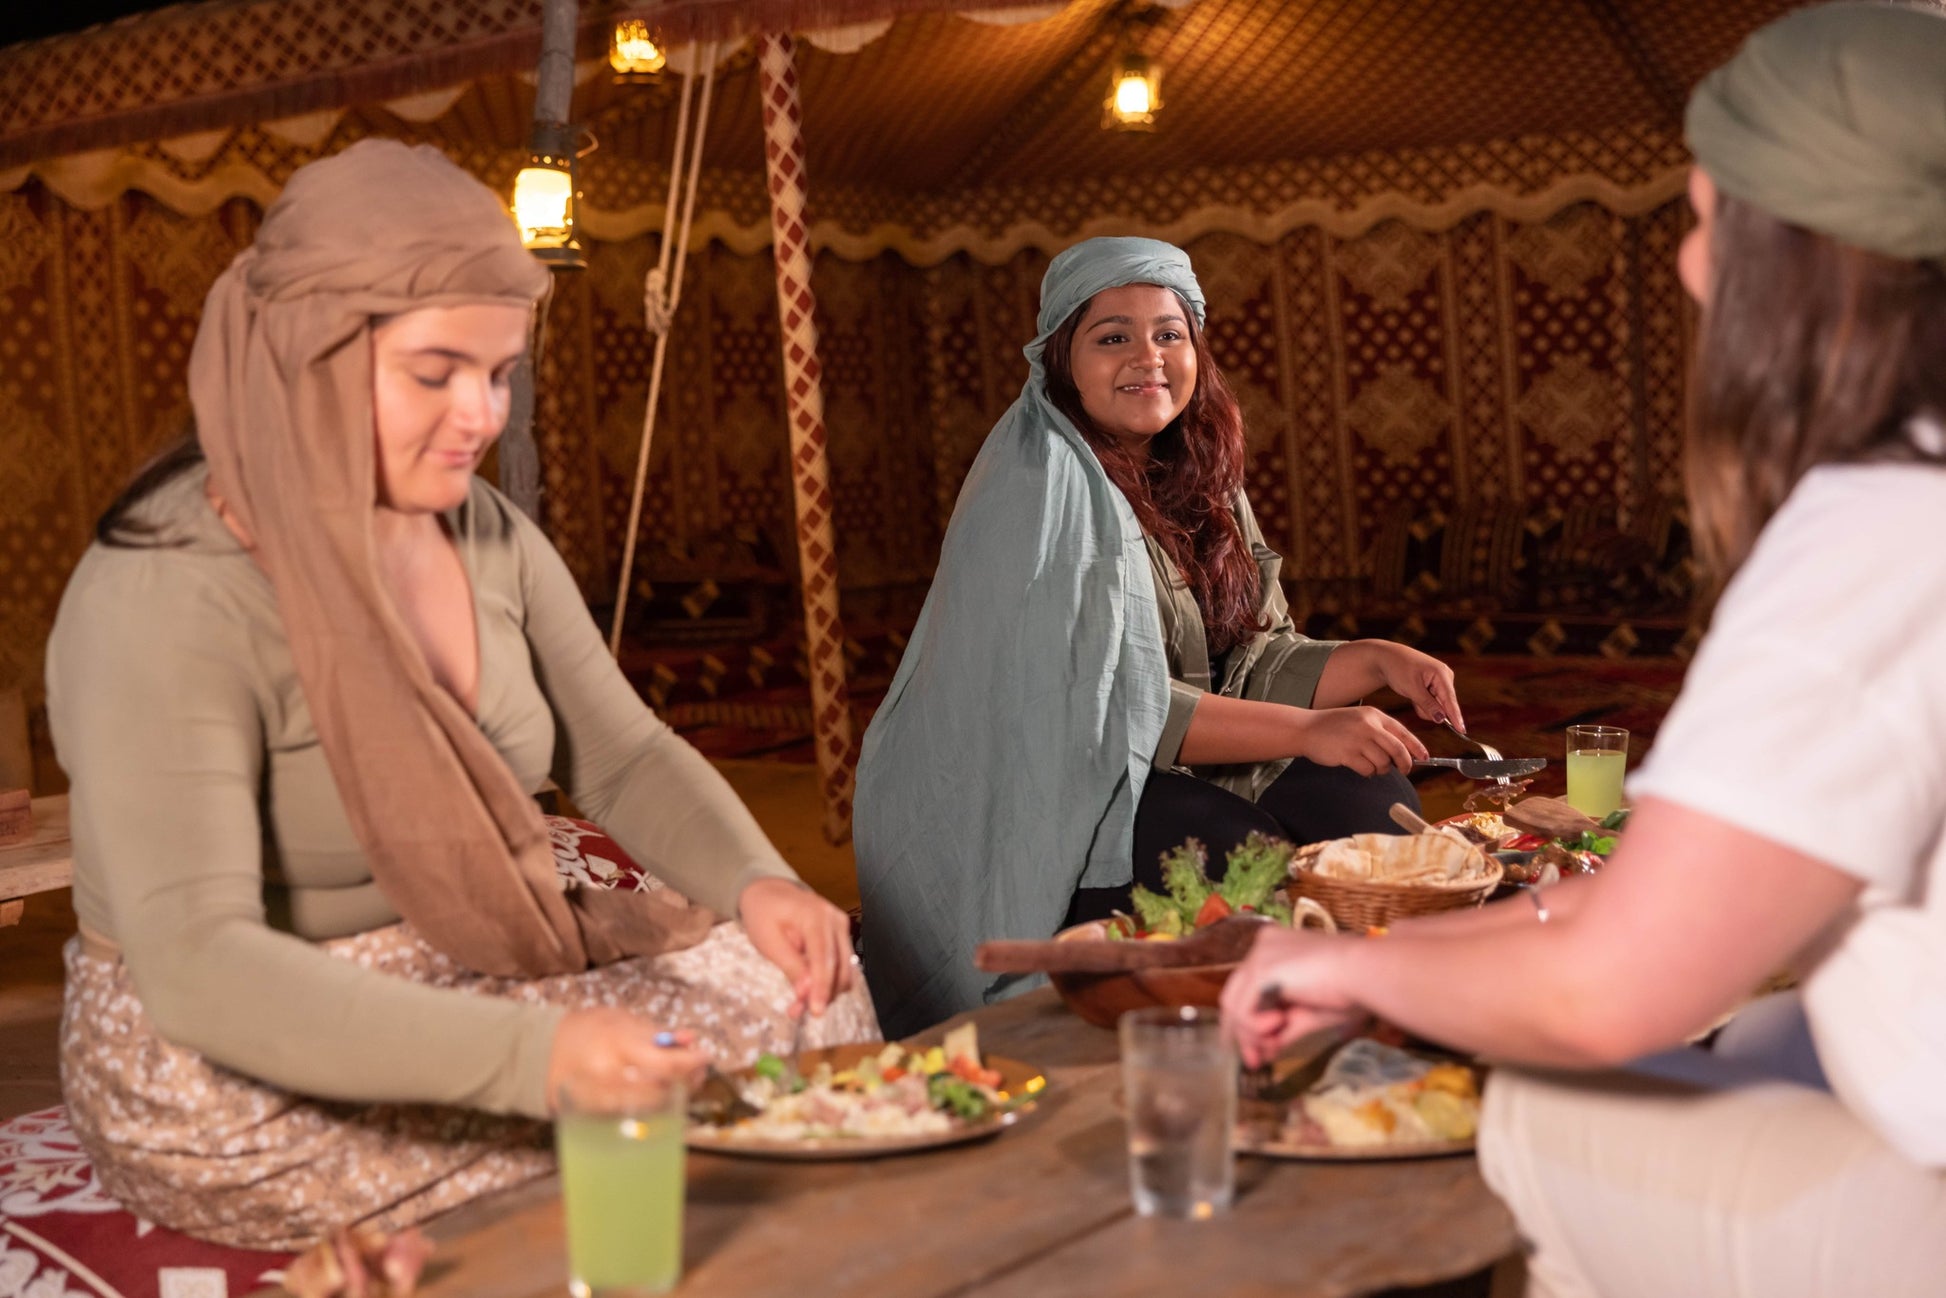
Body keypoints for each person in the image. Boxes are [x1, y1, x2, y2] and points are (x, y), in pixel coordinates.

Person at [1222, 6, 1946, 1295]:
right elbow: (1653, 912)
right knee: (1770, 1022)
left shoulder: (1872, 535)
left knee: (1540, 1108)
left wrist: (1331, 960)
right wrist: (1366, 960)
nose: (1685, 267)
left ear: (1804, 260)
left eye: (1707, 218)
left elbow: (1611, 990)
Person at [45, 139, 875, 1250]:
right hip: (220, 1050)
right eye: (435, 374)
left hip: (456, 957)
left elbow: (620, 752)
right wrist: (540, 1060)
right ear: (310, 354)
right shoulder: (165, 590)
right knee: (661, 1118)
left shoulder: (484, 532)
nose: (479, 415)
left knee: (812, 999)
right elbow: (198, 964)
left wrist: (759, 882)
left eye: (497, 373)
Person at [857, 236, 1464, 1037]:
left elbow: (1248, 658)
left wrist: (1378, 661)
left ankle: (1392, 1024)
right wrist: (1311, 730)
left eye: (1168, 333)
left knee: (1375, 811)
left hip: (1151, 758)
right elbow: (1107, 711)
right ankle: (1261, 1052)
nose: (1147, 357)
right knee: (1240, 862)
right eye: (1112, 336)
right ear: (1060, 359)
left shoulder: (1197, 476)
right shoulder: (1038, 490)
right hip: (1040, 800)